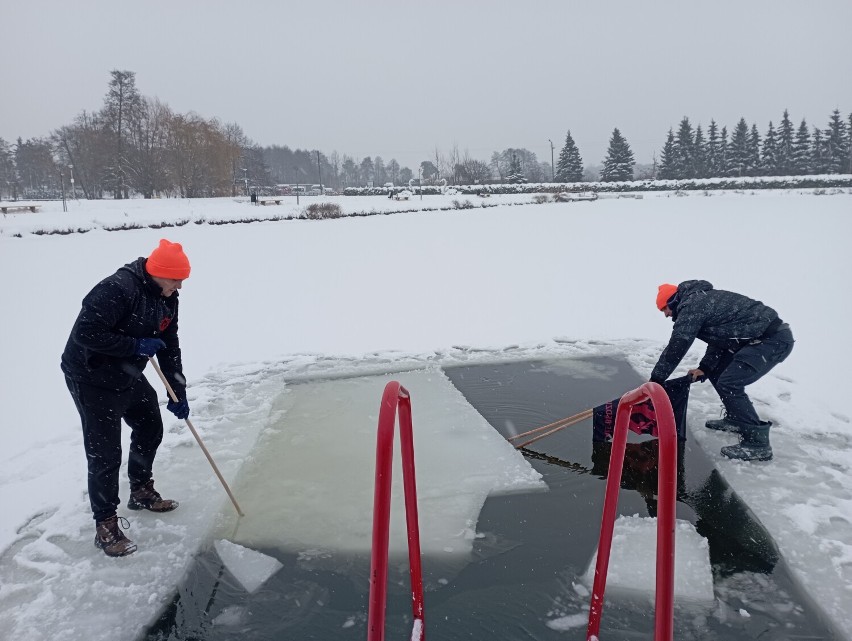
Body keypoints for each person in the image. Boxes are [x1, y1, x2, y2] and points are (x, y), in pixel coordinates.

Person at [61, 239, 192, 557]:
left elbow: (168, 342)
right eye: (175, 280)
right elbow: (86, 333)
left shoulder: (167, 297)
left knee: (151, 428)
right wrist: (134, 346)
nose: (179, 287)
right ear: (158, 273)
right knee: (105, 454)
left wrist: (177, 390)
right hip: (91, 377)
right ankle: (105, 526)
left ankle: (141, 491)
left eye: (182, 280)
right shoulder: (117, 289)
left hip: (128, 374)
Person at [650, 280, 794, 462]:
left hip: (771, 340)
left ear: (672, 302)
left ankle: (758, 444)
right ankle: (736, 418)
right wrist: (705, 368)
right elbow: (720, 338)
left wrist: (656, 381)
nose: (665, 315)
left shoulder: (692, 306)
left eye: (664, 309)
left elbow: (677, 346)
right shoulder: (699, 301)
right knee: (717, 372)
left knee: (730, 383)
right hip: (758, 340)